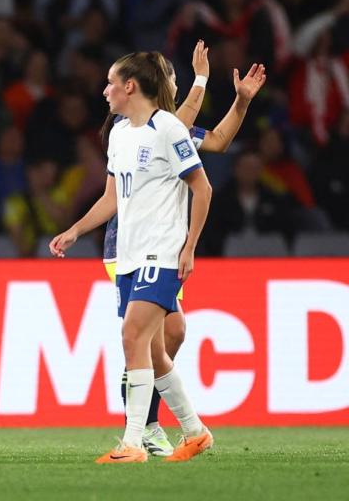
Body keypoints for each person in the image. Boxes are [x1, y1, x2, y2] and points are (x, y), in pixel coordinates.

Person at [98, 42, 267, 456]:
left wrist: (241, 102)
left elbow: (221, 139)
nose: (176, 86)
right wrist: (203, 79)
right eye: (173, 79)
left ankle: (179, 428)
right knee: (141, 334)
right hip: (127, 244)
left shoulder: (167, 128)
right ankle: (145, 427)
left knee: (168, 332)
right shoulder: (142, 127)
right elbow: (180, 118)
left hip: (160, 244)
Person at [50, 51, 213, 463]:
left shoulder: (169, 129)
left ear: (130, 86)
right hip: (128, 255)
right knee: (155, 351)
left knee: (132, 337)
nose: (104, 90)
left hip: (162, 251)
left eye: (110, 83)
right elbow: (111, 198)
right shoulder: (120, 134)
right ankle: (195, 432)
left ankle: (133, 442)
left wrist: (190, 246)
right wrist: (75, 230)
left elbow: (202, 189)